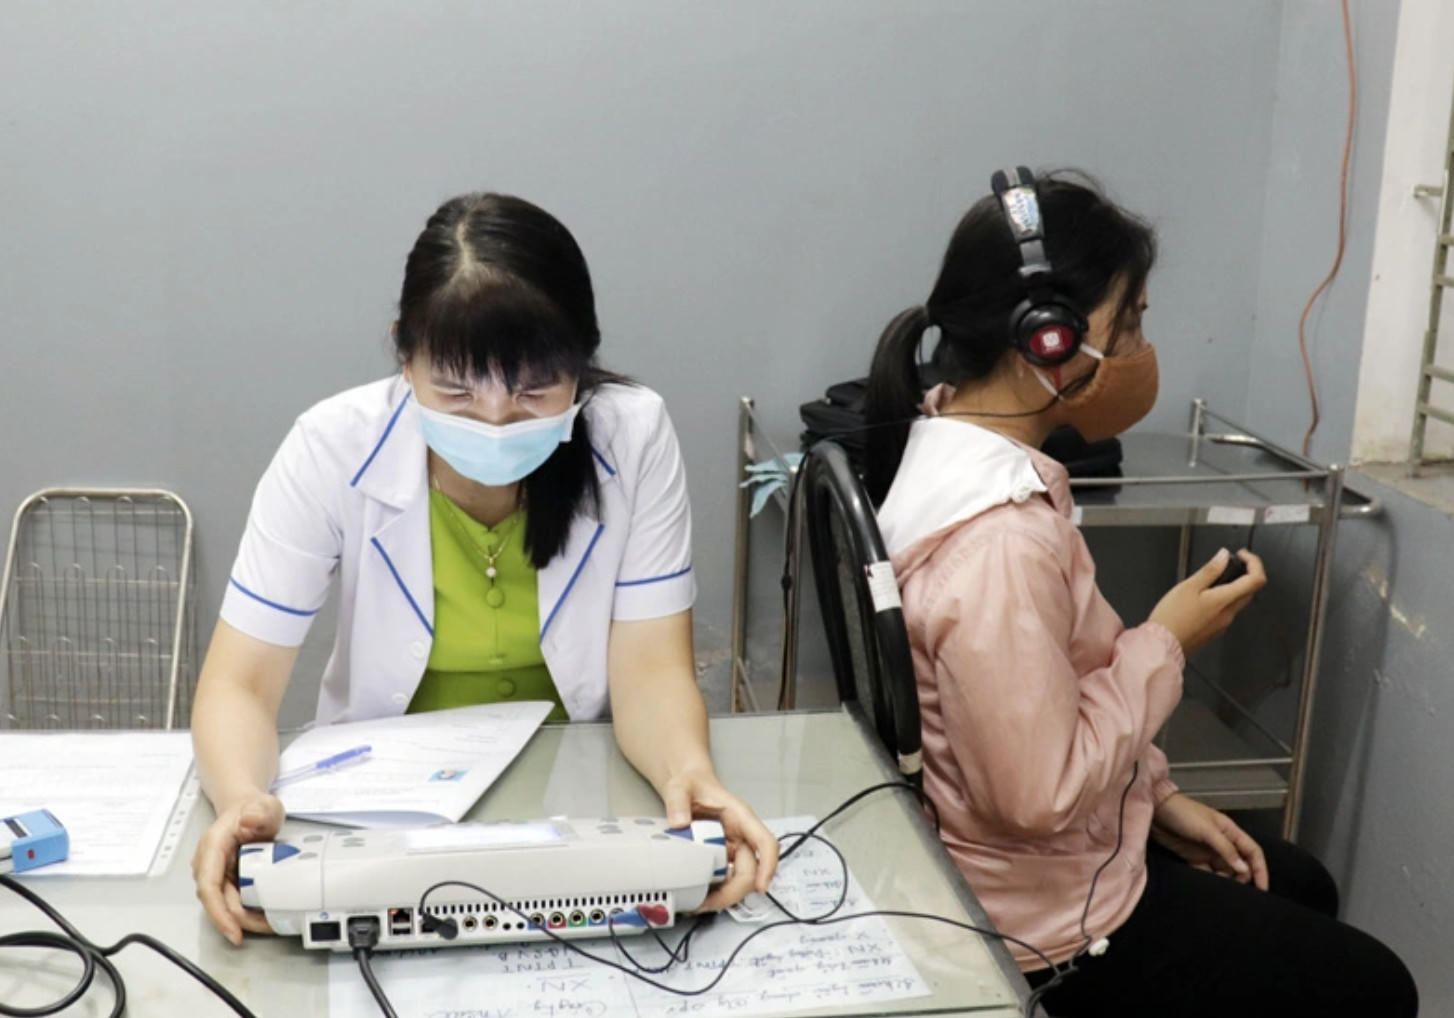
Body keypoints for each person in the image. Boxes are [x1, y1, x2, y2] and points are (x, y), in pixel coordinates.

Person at [863, 168, 1416, 1016]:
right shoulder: (999, 545)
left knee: (1297, 880)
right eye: (1130, 324)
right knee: (1379, 988)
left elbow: (1052, 696)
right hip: (1041, 927)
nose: (1139, 351)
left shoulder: (946, 433)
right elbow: (1038, 796)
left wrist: (1156, 799)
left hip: (1045, 859)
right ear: (1048, 338)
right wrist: (1166, 642)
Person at [190, 192, 778, 944]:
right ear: (404, 355)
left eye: (534, 391)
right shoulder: (330, 447)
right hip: (380, 818)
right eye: (457, 392)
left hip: (582, 805)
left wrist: (685, 773)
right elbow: (239, 683)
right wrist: (243, 800)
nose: (496, 420)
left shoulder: (632, 436)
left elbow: (652, 672)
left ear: (582, 364)